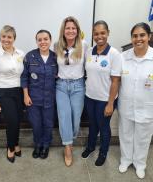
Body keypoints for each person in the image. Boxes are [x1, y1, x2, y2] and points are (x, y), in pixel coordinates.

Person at [82, 20, 121, 166]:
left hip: (105, 99)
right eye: (96, 33)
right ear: (93, 35)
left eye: (102, 33)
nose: (99, 36)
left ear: (108, 33)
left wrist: (110, 103)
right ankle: (90, 147)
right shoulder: (88, 52)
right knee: (92, 124)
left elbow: (116, 81)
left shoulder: (114, 54)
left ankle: (103, 152)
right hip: (90, 97)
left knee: (103, 127)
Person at [118, 23, 153, 179]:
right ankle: (125, 160)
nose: (138, 39)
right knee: (125, 134)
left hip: (147, 107)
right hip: (126, 105)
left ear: (149, 37)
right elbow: (116, 81)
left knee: (143, 138)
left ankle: (140, 164)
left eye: (142, 35)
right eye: (135, 36)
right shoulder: (123, 57)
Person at [0, 25, 24, 163]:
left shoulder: (21, 53)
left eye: (9, 37)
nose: (6, 39)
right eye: (4, 36)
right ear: (0, 38)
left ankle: (15, 143)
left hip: (18, 91)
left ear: (14, 38)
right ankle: (10, 147)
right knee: (11, 121)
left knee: (18, 119)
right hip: (4, 92)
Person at [55, 16, 86, 166]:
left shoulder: (84, 45)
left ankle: (70, 138)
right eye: (68, 28)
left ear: (77, 30)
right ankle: (67, 146)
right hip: (61, 86)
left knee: (76, 119)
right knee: (64, 115)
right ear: (63, 30)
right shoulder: (56, 46)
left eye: (73, 28)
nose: (71, 30)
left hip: (78, 86)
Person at [21, 30, 57, 159]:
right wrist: (25, 95)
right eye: (40, 39)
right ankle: (38, 144)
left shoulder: (55, 57)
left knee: (48, 123)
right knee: (36, 124)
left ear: (50, 40)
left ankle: (46, 145)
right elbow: (24, 77)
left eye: (45, 39)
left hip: (50, 98)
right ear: (36, 41)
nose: (43, 42)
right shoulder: (30, 56)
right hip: (33, 98)